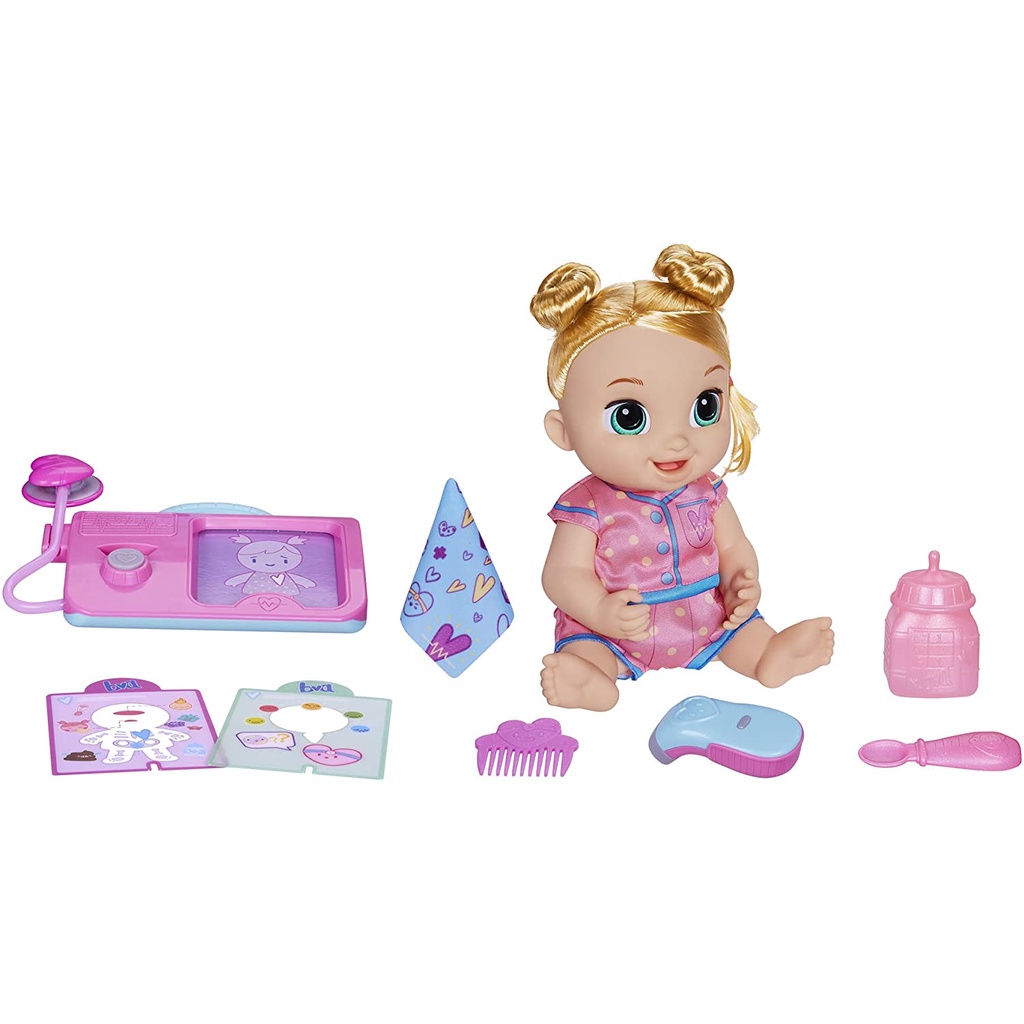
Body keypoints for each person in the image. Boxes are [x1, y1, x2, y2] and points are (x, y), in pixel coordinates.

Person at [534, 244, 833, 711]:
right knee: (586, 647)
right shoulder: (587, 505)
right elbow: (563, 573)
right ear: (563, 430)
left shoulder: (708, 490)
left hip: (705, 614)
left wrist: (742, 581)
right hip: (616, 629)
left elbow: (733, 545)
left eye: (704, 407)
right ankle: (591, 679)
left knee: (742, 629)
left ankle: (767, 657)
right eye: (630, 417)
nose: (677, 441)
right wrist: (599, 610)